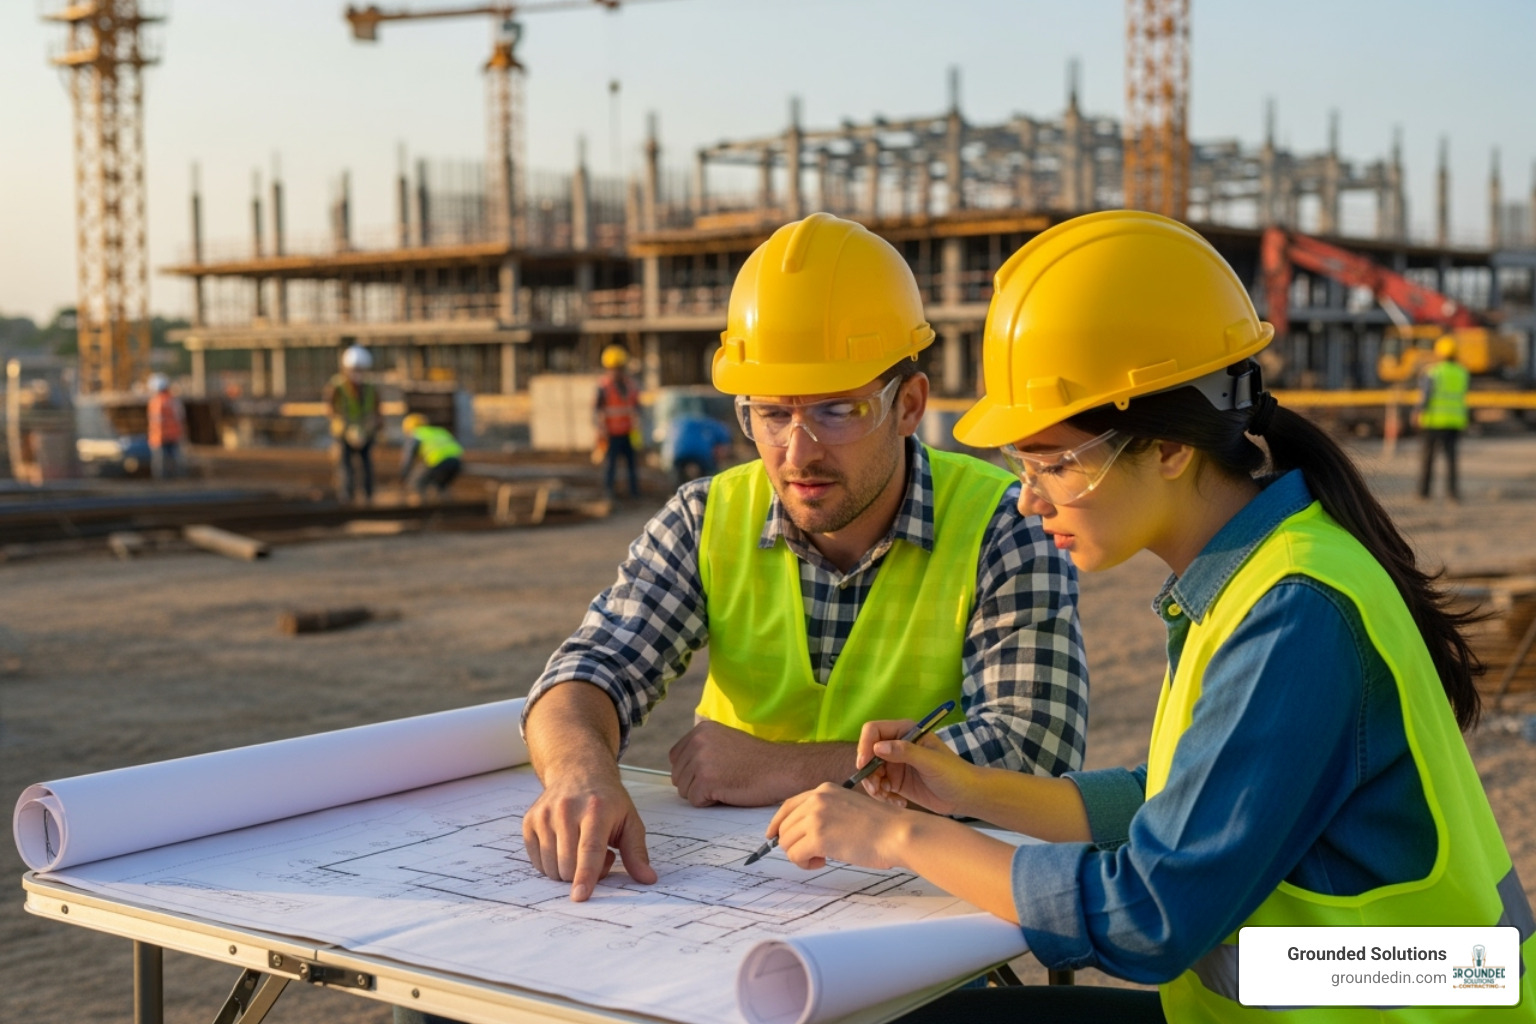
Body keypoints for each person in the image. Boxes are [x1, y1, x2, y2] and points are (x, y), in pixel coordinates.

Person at [766, 211, 1535, 1022]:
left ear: (1169, 447)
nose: (1028, 500)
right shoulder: (1264, 568)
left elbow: (1149, 916)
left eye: (1053, 464)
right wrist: (971, 790)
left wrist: (892, 838)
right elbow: (1178, 800)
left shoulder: (1293, 612)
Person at [519, 212, 1088, 905]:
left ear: (909, 405)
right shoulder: (706, 517)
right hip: (729, 902)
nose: (797, 452)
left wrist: (774, 768)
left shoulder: (1005, 522)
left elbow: (1038, 753)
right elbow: (588, 670)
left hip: (922, 906)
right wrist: (582, 774)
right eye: (770, 413)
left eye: (837, 411)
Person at [324, 344, 381, 504]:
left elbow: (377, 408)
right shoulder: (337, 386)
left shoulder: (370, 387)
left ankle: (368, 496)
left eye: (360, 369)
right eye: (354, 369)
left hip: (366, 432)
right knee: (345, 466)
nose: (357, 373)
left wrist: (377, 425)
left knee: (367, 464)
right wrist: (342, 424)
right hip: (343, 432)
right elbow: (330, 408)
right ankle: (347, 496)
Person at [1416, 334, 1470, 502]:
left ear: (1439, 353)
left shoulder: (1433, 372)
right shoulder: (1462, 372)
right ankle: (1452, 493)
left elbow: (1425, 396)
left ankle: (1424, 493)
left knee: (1428, 459)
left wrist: (1418, 412)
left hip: (1433, 421)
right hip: (1454, 421)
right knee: (1451, 460)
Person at [595, 344, 641, 499]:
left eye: (619, 368)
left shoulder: (630, 385)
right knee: (610, 467)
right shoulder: (603, 387)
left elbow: (636, 408)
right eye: (613, 368)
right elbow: (597, 411)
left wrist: (638, 430)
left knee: (632, 467)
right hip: (611, 434)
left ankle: (634, 493)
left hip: (628, 433)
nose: (617, 372)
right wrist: (601, 432)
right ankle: (609, 493)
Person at [399, 413, 464, 501]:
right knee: (440, 485)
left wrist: (404, 474)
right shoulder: (439, 431)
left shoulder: (416, 435)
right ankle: (446, 505)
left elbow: (408, 458)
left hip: (438, 462)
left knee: (416, 482)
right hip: (456, 463)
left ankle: (422, 506)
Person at [664, 410, 734, 486]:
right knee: (709, 476)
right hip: (701, 453)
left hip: (677, 452)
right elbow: (722, 449)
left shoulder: (677, 422)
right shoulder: (714, 424)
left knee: (678, 475)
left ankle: (675, 490)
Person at [145, 373, 185, 480]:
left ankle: (162, 483)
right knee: (174, 461)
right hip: (173, 436)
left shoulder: (155, 401)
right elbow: (180, 417)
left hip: (159, 437)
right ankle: (176, 480)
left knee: (160, 464)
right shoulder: (173, 400)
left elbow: (155, 420)